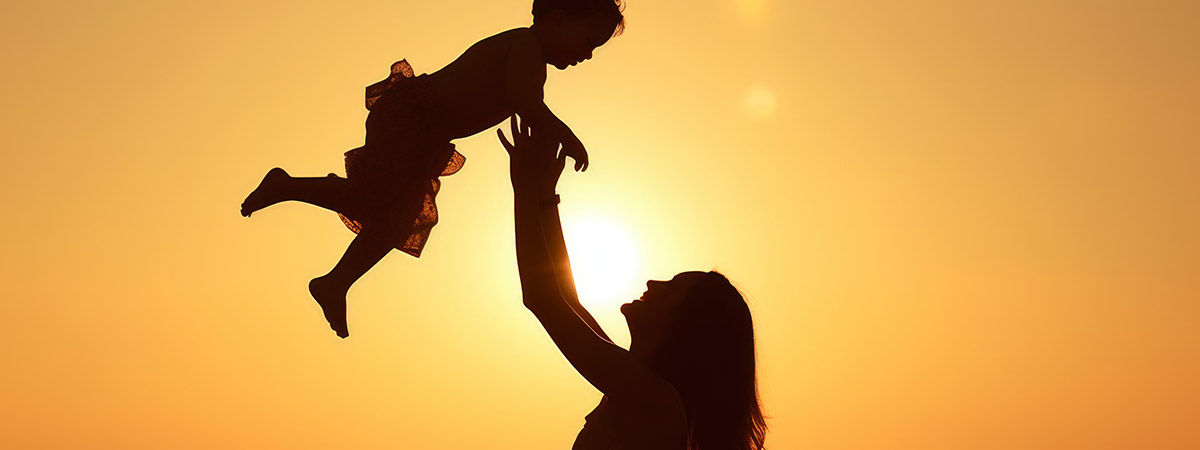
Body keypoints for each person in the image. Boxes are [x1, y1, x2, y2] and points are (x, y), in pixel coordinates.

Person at [239, 0, 627, 337]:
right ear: (557, 20)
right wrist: (566, 136)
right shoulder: (523, 44)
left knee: (398, 221)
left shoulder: (532, 63)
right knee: (370, 199)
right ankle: (285, 186)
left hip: (426, 134)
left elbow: (528, 106)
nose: (587, 54)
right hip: (411, 115)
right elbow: (526, 103)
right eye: (589, 41)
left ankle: (335, 282)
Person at [500, 114, 767, 450]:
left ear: (685, 324)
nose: (654, 282)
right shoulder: (639, 387)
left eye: (672, 286)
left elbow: (543, 298)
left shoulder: (652, 398)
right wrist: (544, 196)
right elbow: (567, 298)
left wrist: (524, 187)